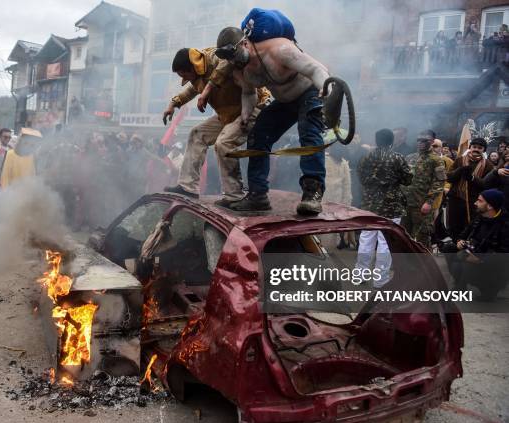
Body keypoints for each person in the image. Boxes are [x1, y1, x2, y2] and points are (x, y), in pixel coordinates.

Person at [216, 25, 332, 214]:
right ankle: (257, 195)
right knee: (258, 135)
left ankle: (312, 194)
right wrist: (245, 114)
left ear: (244, 43)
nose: (232, 61)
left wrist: (328, 97)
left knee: (309, 133)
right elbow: (248, 92)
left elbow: (316, 69)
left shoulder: (280, 50)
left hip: (309, 92)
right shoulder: (240, 68)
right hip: (284, 102)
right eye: (228, 58)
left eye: (233, 54)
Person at [162, 46, 270, 206]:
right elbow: (192, 89)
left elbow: (226, 63)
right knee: (197, 134)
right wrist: (173, 103)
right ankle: (188, 187)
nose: (185, 79)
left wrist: (207, 90)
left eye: (185, 74)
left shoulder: (216, 57)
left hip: (253, 108)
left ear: (193, 66)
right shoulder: (196, 76)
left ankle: (234, 195)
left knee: (224, 143)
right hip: (229, 113)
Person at [356, 129, 413, 286]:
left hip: (369, 204)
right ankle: (380, 279)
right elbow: (408, 179)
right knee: (385, 242)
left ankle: (360, 274)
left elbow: (361, 177)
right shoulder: (398, 158)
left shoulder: (366, 157)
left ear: (376, 140)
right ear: (392, 141)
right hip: (391, 205)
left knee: (366, 238)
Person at [443, 189, 508, 300]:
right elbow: (463, 234)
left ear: (490, 206)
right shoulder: (479, 217)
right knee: (449, 248)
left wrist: (480, 260)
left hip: (493, 266)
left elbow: (504, 255)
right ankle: (460, 287)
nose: (475, 203)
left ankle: (489, 291)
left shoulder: (505, 225)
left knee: (466, 265)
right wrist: (460, 241)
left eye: (480, 201)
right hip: (475, 253)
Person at [401, 133, 446, 249]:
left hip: (422, 204)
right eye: (419, 140)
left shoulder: (436, 160)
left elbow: (439, 182)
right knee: (404, 236)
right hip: (407, 203)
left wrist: (429, 202)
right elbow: (403, 178)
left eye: (424, 141)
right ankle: (405, 265)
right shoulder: (410, 157)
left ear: (431, 142)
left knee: (422, 238)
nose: (420, 143)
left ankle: (425, 266)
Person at [446, 138, 494, 240]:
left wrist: (472, 178)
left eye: (480, 148)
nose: (476, 149)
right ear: (470, 148)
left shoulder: (488, 165)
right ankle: (453, 249)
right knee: (454, 227)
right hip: (456, 199)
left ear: (484, 150)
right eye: (474, 147)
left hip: (474, 202)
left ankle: (466, 251)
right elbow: (449, 178)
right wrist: (459, 171)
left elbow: (487, 185)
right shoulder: (459, 160)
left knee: (469, 227)